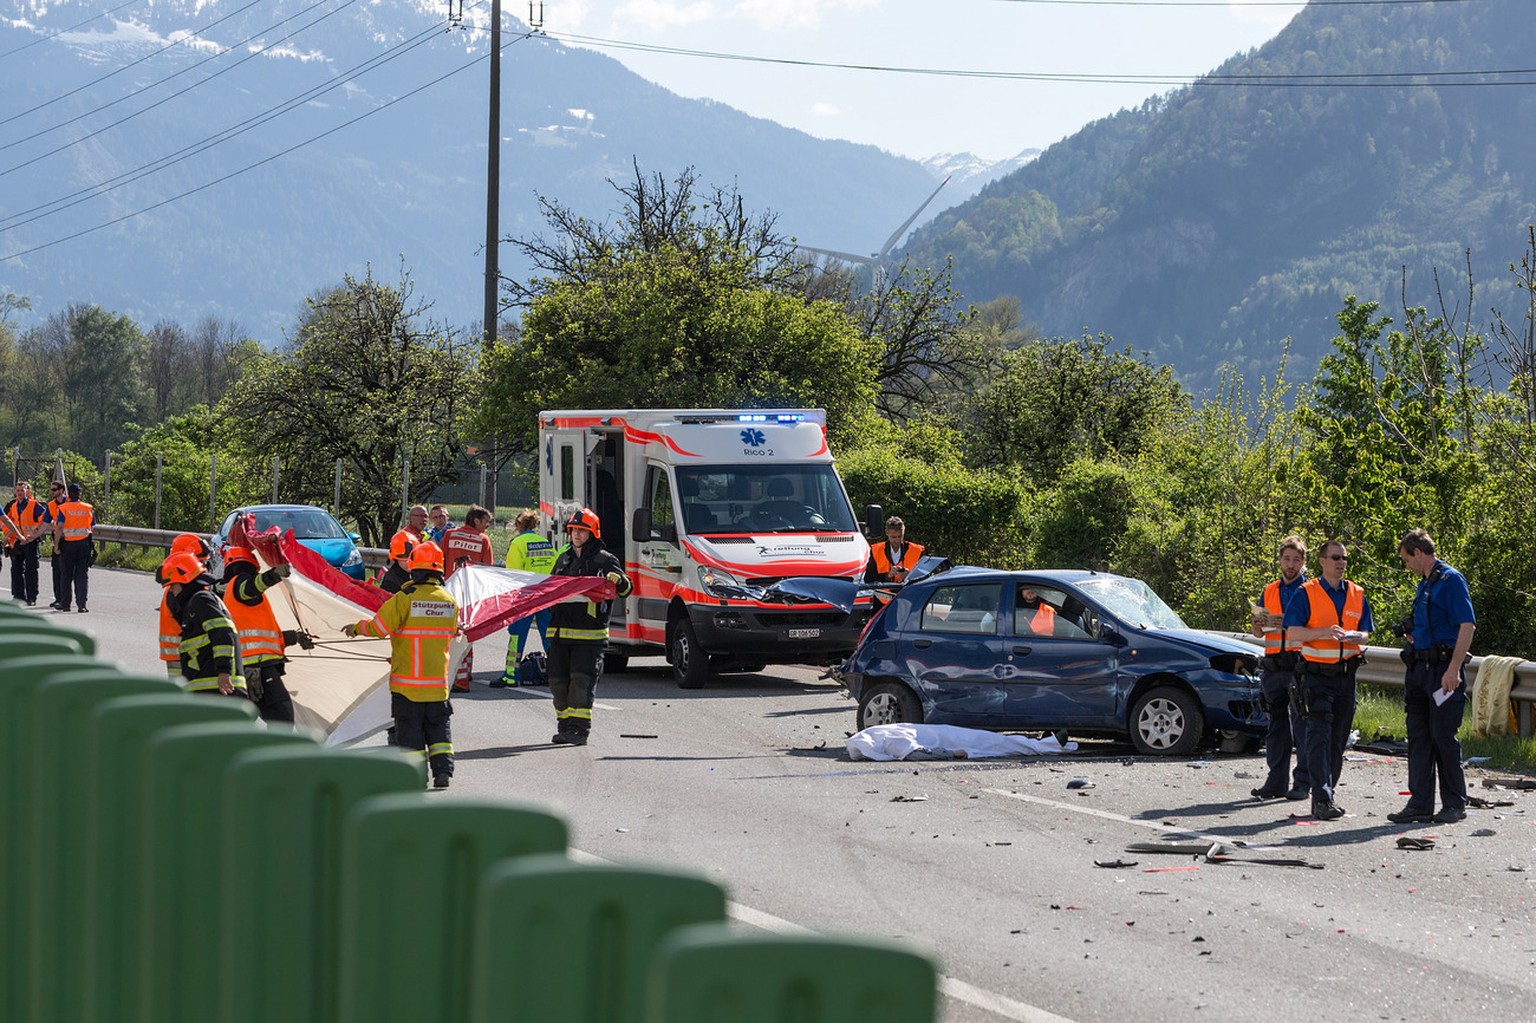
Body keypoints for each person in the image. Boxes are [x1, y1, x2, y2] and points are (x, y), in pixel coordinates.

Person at [344, 541, 459, 788]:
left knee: (410, 733)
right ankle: (443, 773)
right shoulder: (450, 601)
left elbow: (379, 628)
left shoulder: (405, 598)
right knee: (439, 731)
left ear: (414, 570)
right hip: (438, 685)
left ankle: (416, 776)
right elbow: (444, 636)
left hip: (407, 685)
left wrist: (355, 628)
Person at [1388, 528, 1476, 825]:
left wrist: (1453, 669)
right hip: (1419, 670)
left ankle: (1454, 803)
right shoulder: (1425, 584)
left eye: (1406, 559)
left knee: (1442, 736)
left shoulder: (1451, 580)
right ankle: (1420, 804)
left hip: (1442, 671)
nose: (1406, 566)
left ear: (1418, 553)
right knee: (1419, 738)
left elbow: (1467, 625)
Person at [1284, 539, 1373, 821]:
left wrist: (1358, 637)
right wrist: (1323, 632)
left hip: (1347, 676)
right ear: (1322, 561)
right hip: (1316, 676)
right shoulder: (1306, 592)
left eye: (1344, 558)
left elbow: (1366, 632)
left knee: (1338, 740)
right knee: (1319, 738)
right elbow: (1293, 633)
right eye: (1335, 557)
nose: (1341, 562)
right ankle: (1321, 798)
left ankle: (1328, 794)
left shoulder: (1357, 593)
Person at [545, 508, 631, 745]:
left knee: (581, 682)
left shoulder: (605, 560)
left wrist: (619, 580)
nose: (577, 535)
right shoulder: (564, 558)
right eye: (574, 530)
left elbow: (625, 589)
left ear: (592, 533)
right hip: (560, 632)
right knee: (557, 682)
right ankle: (565, 726)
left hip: (589, 635)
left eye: (582, 531)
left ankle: (579, 730)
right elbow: (551, 589)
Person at [1248, 535, 1311, 802]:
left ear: (1304, 562)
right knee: (1276, 727)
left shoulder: (1311, 589)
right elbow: (1257, 631)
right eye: (1287, 559)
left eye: (1296, 560)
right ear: (1279, 560)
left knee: (1302, 726)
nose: (1291, 564)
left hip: (1299, 666)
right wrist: (1258, 624)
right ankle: (1275, 783)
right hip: (1273, 667)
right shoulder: (1270, 589)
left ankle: (1302, 784)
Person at [221, 546, 310, 724]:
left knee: (251, 719)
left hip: (250, 666)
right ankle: (276, 750)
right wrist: (274, 575)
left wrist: (295, 637)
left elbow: (265, 640)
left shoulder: (232, 594)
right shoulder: (240, 583)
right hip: (257, 667)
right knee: (282, 716)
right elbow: (251, 587)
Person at [160, 550, 246, 697]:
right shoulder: (196, 603)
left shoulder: (201, 600)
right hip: (212, 688)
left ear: (184, 580)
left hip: (219, 689)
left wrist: (224, 671)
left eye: (173, 585)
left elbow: (223, 633)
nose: (172, 591)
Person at [496, 509, 560, 689]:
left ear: (518, 526)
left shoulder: (518, 543)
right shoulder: (545, 542)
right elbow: (554, 568)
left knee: (517, 635)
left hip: (524, 596)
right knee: (549, 635)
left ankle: (511, 675)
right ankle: (555, 674)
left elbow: (513, 574)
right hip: (546, 595)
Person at [441, 505, 494, 692]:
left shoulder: (450, 535)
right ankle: (463, 679)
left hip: (448, 592)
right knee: (465, 635)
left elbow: (440, 560)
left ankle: (452, 675)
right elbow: (487, 571)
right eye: (486, 522)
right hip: (469, 596)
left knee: (448, 635)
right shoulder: (483, 540)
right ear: (476, 520)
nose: (488, 526)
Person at [157, 533, 213, 677]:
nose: (202, 568)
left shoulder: (182, 587)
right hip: (181, 653)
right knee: (182, 695)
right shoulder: (177, 591)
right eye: (199, 562)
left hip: (184, 652)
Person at [53, 481, 95, 613]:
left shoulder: (64, 508)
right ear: (80, 494)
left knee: (66, 575)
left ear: (69, 495)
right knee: (82, 574)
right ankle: (82, 605)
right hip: (83, 545)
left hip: (68, 545)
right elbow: (92, 526)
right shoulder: (87, 508)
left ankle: (66, 605)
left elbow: (59, 528)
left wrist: (56, 545)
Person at [4, 481, 47, 605]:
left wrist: (35, 533)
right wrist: (8, 536)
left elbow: (45, 519)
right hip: (18, 541)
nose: (20, 493)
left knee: (31, 570)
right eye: (18, 491)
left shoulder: (34, 505)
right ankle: (18, 596)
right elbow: (10, 522)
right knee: (16, 569)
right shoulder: (13, 505)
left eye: (22, 490)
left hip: (30, 541)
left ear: (27, 491)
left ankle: (31, 597)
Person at [377, 504, 428, 594]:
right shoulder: (404, 537)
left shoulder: (423, 536)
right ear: (410, 518)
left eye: (425, 516)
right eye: (419, 516)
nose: (423, 519)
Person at [866, 515, 925, 584]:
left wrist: (909, 575)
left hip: (908, 592)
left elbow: (925, 579)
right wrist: (888, 575)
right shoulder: (876, 550)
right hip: (882, 593)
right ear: (887, 533)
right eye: (893, 537)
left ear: (904, 532)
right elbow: (868, 578)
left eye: (900, 536)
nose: (897, 540)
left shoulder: (917, 550)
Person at [43, 481, 67, 609]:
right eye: (51, 489)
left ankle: (66, 599)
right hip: (58, 539)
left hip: (71, 539)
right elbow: (45, 523)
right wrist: (31, 537)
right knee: (56, 570)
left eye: (54, 489)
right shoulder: (51, 505)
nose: (52, 492)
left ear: (62, 490)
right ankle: (59, 598)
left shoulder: (70, 502)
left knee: (68, 572)